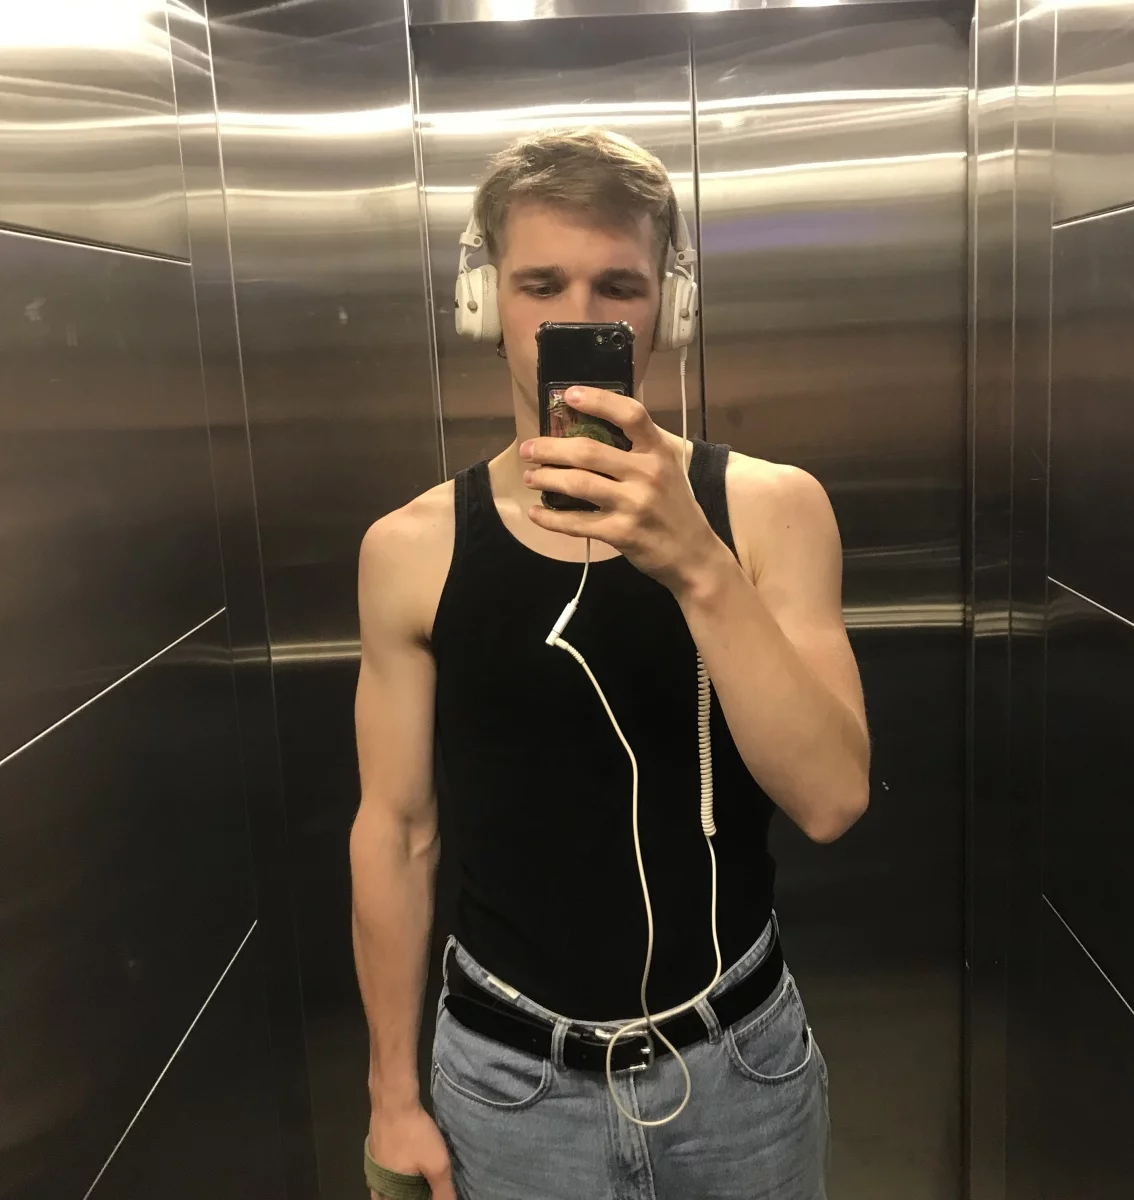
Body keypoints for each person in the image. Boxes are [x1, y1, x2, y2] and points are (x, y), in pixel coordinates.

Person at [350, 128, 870, 1200]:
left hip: (740, 1069)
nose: (577, 317)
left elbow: (831, 798)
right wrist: (392, 1095)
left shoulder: (770, 511)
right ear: (485, 305)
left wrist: (698, 566)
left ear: (669, 309)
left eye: (619, 286)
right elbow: (396, 832)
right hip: (509, 1085)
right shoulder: (411, 549)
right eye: (541, 285)